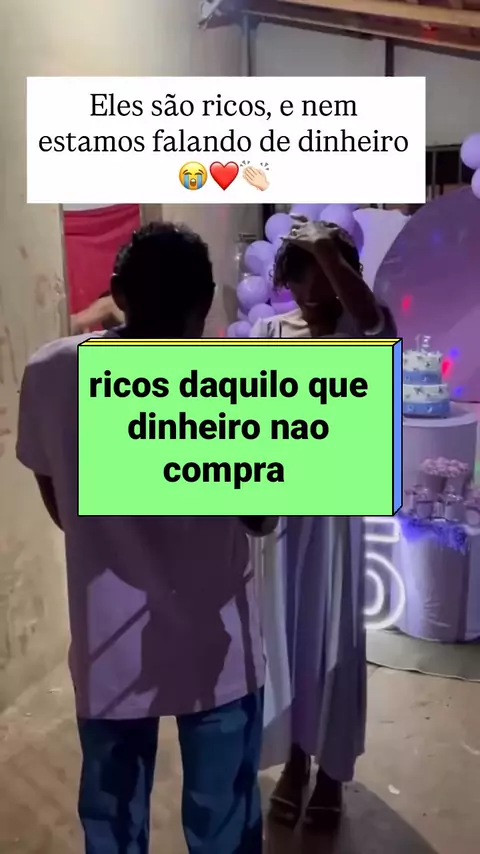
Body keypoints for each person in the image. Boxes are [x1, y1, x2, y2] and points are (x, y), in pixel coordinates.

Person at [16, 221, 277, 854]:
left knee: (112, 825)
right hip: (220, 649)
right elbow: (262, 518)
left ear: (117, 293)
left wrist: (115, 534)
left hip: (109, 647)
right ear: (206, 301)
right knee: (223, 824)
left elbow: (60, 504)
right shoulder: (241, 381)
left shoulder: (53, 371)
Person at [251, 216, 397, 831]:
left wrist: (327, 251)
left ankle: (333, 770)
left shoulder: (358, 328)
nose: (312, 288)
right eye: (302, 272)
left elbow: (376, 326)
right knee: (284, 638)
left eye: (324, 271)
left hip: (335, 513)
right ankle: (294, 760)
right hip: (281, 508)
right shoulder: (268, 332)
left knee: (335, 636)